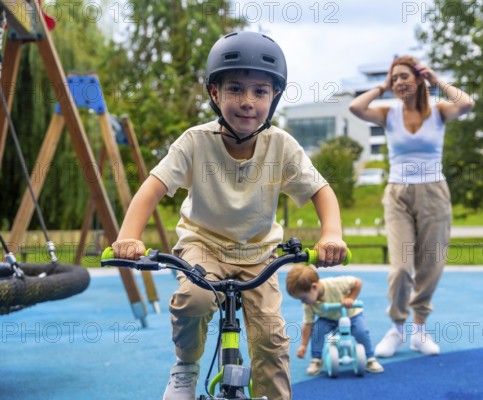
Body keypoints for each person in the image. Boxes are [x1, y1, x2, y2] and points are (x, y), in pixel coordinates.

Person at [111, 31, 348, 400]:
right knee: (194, 300)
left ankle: (273, 396)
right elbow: (152, 188)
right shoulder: (195, 141)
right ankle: (186, 367)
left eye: (260, 91)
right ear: (215, 94)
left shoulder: (281, 146)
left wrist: (331, 234)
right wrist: (129, 236)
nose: (248, 101)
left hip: (258, 255)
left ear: (275, 98)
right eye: (235, 88)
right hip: (203, 247)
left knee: (271, 337)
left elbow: (322, 191)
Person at [349, 56, 475, 357]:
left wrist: (436, 81)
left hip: (434, 193)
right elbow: (355, 108)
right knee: (402, 267)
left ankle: (419, 329)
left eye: (404, 76)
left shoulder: (439, 112)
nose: (399, 83)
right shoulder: (387, 113)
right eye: (395, 79)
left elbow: (467, 103)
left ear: (418, 79)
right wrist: (381, 86)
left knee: (431, 266)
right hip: (398, 195)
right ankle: (397, 328)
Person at [285, 264, 384, 374]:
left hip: (350, 315)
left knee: (361, 331)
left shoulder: (335, 284)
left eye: (303, 298)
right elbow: (308, 324)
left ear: (314, 287)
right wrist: (303, 345)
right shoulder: (308, 304)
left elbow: (357, 282)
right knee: (318, 330)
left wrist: (350, 298)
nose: (302, 302)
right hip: (328, 319)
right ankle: (316, 359)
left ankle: (370, 358)